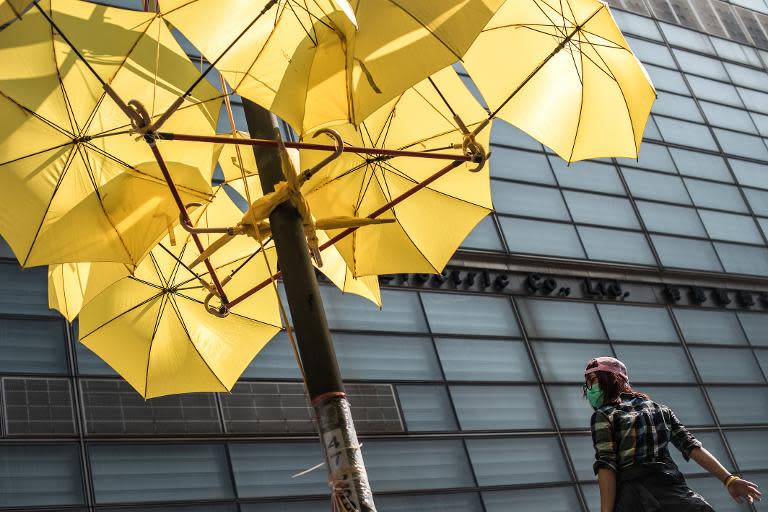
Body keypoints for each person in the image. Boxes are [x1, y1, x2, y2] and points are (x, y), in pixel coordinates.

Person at [584, 356, 762, 512]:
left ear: (611, 380)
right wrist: (729, 479)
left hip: (634, 499)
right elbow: (691, 446)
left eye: (593, 381)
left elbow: (607, 466)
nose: (589, 388)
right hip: (673, 491)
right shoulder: (661, 410)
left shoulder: (604, 416)